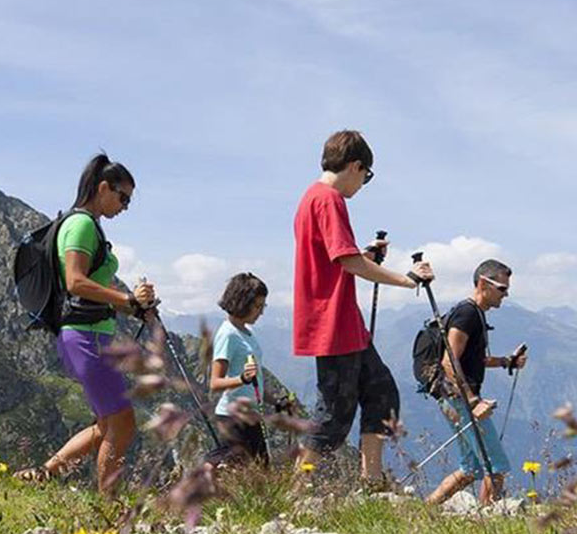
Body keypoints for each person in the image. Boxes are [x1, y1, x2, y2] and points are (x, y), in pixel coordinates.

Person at [293, 130, 433, 482]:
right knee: (334, 414)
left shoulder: (312, 198)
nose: (363, 184)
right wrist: (407, 280)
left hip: (343, 323)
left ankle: (372, 481)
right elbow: (349, 263)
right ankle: (297, 489)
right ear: (355, 166)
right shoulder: (329, 200)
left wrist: (366, 254)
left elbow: (339, 258)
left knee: (381, 392)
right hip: (334, 323)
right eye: (366, 176)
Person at [17, 153, 156, 496]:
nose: (125, 206)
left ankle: (43, 474)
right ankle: (109, 508)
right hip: (86, 339)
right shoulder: (80, 224)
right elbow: (76, 282)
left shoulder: (88, 224)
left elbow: (90, 291)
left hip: (89, 336)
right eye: (123, 197)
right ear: (104, 187)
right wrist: (127, 301)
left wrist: (133, 305)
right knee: (123, 424)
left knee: (105, 423)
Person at [426, 259, 528, 505]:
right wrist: (472, 401)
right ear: (483, 283)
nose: (506, 294)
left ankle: (424, 512)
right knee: (497, 464)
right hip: (460, 399)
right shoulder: (468, 314)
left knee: (470, 468)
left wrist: (507, 362)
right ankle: (491, 521)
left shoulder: (475, 315)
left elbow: (473, 359)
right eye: (502, 288)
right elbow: (449, 361)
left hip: (452, 397)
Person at [209, 273, 269, 464]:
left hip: (249, 415)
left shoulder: (246, 333)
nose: (261, 312)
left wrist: (277, 401)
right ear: (243, 303)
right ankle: (205, 468)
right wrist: (241, 379)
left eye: (263, 306)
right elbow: (215, 383)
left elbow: (254, 380)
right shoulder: (228, 335)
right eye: (257, 306)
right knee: (243, 473)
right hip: (232, 417)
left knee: (260, 471)